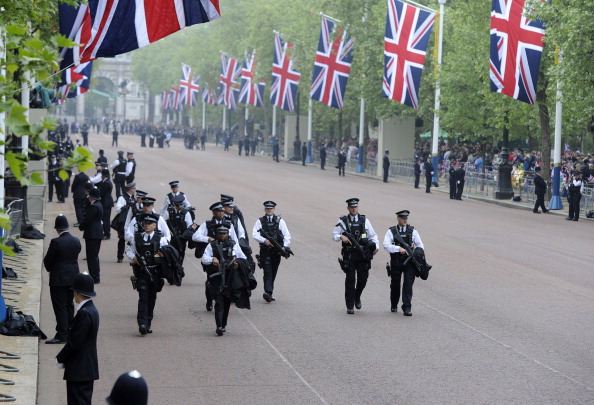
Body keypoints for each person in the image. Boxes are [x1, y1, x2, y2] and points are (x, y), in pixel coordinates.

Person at [56, 273, 99, 405]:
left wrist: (60, 358)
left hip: (79, 370)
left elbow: (74, 343)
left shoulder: (84, 313)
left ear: (77, 293)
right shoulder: (92, 310)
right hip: (86, 369)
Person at [201, 224, 250, 336]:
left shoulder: (233, 244)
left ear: (228, 234)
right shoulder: (212, 245)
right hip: (216, 277)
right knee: (219, 302)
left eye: (224, 233)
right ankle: (218, 325)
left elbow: (243, 257)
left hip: (230, 277)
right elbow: (204, 258)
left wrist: (237, 263)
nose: (222, 235)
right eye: (220, 233)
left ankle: (223, 325)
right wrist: (212, 259)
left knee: (227, 301)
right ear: (217, 234)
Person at [333, 198, 378, 314]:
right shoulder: (343, 221)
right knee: (350, 280)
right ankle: (350, 305)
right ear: (348, 208)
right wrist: (340, 237)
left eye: (355, 207)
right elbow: (334, 235)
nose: (354, 209)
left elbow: (373, 236)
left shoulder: (364, 220)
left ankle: (357, 295)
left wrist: (376, 247)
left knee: (363, 279)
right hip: (350, 255)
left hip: (363, 255)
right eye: (352, 207)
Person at [126, 213, 168, 335]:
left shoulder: (162, 239)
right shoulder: (137, 238)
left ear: (155, 225)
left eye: (149, 224)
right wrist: (133, 258)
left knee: (152, 298)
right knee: (143, 298)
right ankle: (142, 324)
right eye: (145, 224)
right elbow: (129, 249)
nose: (147, 226)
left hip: (155, 273)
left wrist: (163, 255)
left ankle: (148, 322)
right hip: (142, 273)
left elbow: (169, 252)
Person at [191, 202, 238, 311]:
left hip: (226, 257)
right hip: (211, 256)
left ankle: (223, 300)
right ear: (214, 212)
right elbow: (195, 236)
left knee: (227, 279)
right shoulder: (207, 224)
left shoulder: (228, 224)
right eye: (219, 211)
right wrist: (208, 239)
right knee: (210, 281)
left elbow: (235, 240)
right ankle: (209, 300)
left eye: (222, 211)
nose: (221, 213)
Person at [43, 215, 81, 344]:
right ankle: (70, 330)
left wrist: (51, 269)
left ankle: (61, 333)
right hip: (73, 277)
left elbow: (47, 260)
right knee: (69, 305)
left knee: (59, 307)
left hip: (58, 279)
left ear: (57, 229)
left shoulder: (56, 242)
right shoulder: (76, 240)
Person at [383, 210, 427, 316]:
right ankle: (394, 304)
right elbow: (386, 245)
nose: (405, 219)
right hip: (396, 261)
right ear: (398, 218)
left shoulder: (413, 231)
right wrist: (398, 248)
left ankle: (407, 307)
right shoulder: (392, 231)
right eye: (403, 218)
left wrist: (415, 253)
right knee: (395, 285)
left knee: (408, 284)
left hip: (409, 263)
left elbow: (420, 246)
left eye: (406, 218)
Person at [252, 201, 292, 303]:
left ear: (274, 210)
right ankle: (268, 292)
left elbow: (287, 235)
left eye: (271, 208)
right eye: (267, 208)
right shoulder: (260, 221)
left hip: (276, 251)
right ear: (265, 209)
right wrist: (264, 240)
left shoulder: (280, 221)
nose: (269, 210)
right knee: (267, 271)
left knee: (273, 271)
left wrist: (284, 247)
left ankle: (270, 292)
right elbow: (254, 234)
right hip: (265, 250)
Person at [79, 188, 104, 284]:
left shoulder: (94, 207)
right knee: (94, 256)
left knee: (91, 257)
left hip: (92, 234)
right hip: (97, 233)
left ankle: (94, 277)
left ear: (91, 197)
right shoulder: (98, 205)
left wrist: (81, 226)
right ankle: (95, 275)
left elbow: (88, 220)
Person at [163, 194, 192, 264]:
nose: (180, 207)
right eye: (178, 205)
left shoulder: (186, 213)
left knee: (180, 257)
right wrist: (168, 230)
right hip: (171, 239)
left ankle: (178, 271)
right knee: (170, 256)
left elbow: (189, 226)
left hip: (181, 240)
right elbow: (162, 222)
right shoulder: (169, 212)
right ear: (174, 205)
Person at [114, 183, 137, 263]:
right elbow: (118, 209)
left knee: (133, 239)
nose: (135, 190)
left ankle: (134, 256)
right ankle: (120, 257)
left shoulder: (135, 198)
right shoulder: (122, 198)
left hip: (132, 221)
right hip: (123, 222)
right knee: (122, 239)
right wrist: (127, 206)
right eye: (134, 188)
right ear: (130, 190)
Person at [98, 169, 114, 239]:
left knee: (105, 219)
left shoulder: (106, 183)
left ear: (104, 175)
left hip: (106, 203)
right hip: (106, 202)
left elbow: (101, 193)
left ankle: (107, 234)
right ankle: (106, 232)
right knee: (105, 219)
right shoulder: (106, 182)